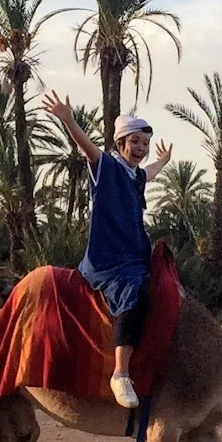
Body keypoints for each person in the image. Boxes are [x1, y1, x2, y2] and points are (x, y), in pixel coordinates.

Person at [41, 92, 173, 409]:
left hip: (134, 254)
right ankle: (121, 374)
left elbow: (149, 174)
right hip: (110, 261)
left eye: (144, 143)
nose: (141, 148)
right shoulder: (106, 167)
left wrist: (163, 161)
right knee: (132, 291)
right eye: (136, 142)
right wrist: (68, 119)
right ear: (121, 144)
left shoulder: (135, 176)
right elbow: (87, 147)